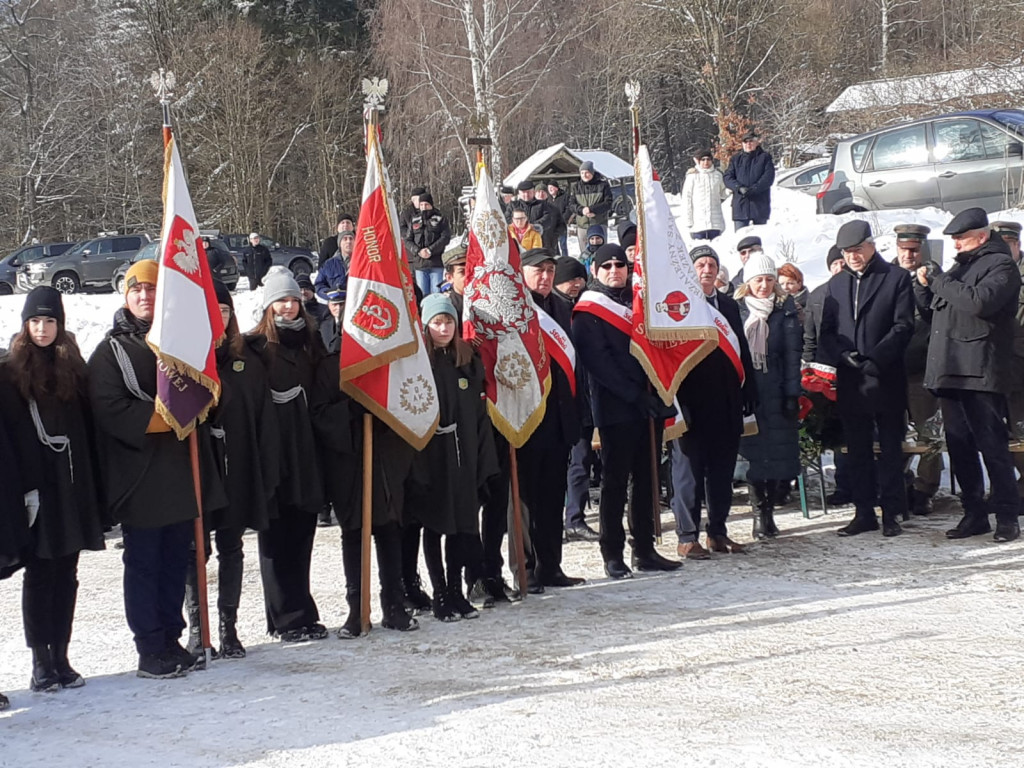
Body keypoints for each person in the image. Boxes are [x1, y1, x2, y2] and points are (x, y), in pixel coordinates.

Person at [88, 260, 226, 679]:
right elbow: (110, 408)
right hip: (141, 478)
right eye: (137, 291)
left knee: (174, 561)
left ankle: (171, 637)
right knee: (146, 564)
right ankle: (149, 646)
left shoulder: (178, 342)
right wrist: (168, 417)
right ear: (125, 297)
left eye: (151, 289)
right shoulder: (111, 352)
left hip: (182, 474)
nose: (145, 297)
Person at [0, 287, 105, 691]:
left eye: (49, 322)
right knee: (40, 572)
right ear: (25, 325)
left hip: (72, 485)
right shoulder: (9, 373)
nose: (42, 329)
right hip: (35, 491)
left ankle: (61, 653)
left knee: (68, 571)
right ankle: (40, 660)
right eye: (35, 322)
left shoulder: (73, 369)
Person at [183, 280, 280, 660]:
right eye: (212, 311)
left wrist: (266, 471)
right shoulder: (188, 361)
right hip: (201, 468)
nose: (218, 318)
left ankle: (229, 627)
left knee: (232, 547)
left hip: (237, 468)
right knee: (196, 550)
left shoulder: (247, 361)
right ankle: (198, 629)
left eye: (224, 311)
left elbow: (263, 419)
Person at [573, 244, 681, 578]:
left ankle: (644, 548)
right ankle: (613, 551)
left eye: (620, 264)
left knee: (647, 479)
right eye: (606, 265)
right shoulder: (589, 309)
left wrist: (661, 389)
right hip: (615, 406)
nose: (614, 270)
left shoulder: (641, 302)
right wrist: (635, 395)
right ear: (595, 270)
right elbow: (600, 363)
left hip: (650, 403)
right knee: (615, 482)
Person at [915, 208, 1021, 543]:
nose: (956, 244)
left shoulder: (1001, 265)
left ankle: (1006, 515)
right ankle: (973, 513)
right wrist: (923, 288)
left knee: (992, 446)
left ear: (981, 235)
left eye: (961, 238)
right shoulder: (961, 266)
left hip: (980, 370)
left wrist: (938, 281)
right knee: (959, 447)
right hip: (951, 369)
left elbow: (979, 302)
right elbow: (938, 309)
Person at [310, 322, 419, 638]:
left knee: (389, 531)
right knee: (354, 533)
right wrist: (351, 410)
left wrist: (383, 415)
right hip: (348, 463)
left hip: (386, 460)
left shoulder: (390, 364)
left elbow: (407, 402)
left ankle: (394, 606)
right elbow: (319, 414)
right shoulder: (331, 367)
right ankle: (357, 610)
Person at [249, 270, 329, 641]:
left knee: (302, 533)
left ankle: (303, 608)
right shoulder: (254, 348)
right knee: (277, 537)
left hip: (308, 449)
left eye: (293, 299)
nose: (288, 306)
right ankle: (284, 615)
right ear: (269, 306)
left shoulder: (312, 342)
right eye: (281, 300)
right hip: (274, 452)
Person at [820, 220, 914, 537]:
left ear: (871, 245)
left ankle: (891, 512)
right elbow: (828, 332)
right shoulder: (836, 285)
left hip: (885, 377)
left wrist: (877, 357)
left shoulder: (895, 278)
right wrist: (842, 355)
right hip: (851, 380)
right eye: (847, 252)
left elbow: (903, 326)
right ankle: (863, 512)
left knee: (889, 450)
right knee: (857, 451)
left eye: (858, 249)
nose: (853, 256)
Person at [409, 293, 498, 620]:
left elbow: (477, 410)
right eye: (436, 322)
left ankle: (457, 591)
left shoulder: (467, 359)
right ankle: (440, 593)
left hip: (465, 454)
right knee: (435, 525)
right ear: (426, 325)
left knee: (463, 526)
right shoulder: (418, 361)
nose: (443, 328)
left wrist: (481, 458)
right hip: (433, 457)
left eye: (448, 322)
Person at [672, 245, 758, 557]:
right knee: (689, 474)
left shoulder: (728, 306)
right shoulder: (678, 305)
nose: (707, 270)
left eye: (712, 264)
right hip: (691, 403)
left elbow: (742, 351)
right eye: (701, 265)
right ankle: (687, 536)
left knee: (722, 473)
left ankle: (718, 532)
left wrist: (749, 390)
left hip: (726, 401)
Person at [515, 247, 585, 588]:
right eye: (537, 271)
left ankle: (551, 565)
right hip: (527, 418)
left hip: (559, 418)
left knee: (552, 497)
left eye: (548, 270)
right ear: (523, 273)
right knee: (525, 500)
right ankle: (525, 569)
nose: (544, 277)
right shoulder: (514, 309)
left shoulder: (562, 307)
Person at [734, 253, 802, 539]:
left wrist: (791, 393)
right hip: (747, 390)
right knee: (752, 454)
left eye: (769, 280)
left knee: (776, 454)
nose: (763, 285)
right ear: (748, 282)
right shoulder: (736, 309)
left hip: (774, 388)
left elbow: (792, 355)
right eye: (758, 280)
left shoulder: (784, 311)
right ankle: (758, 511)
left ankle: (770, 512)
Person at [891, 224, 943, 516]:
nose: (909, 255)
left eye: (914, 250)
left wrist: (927, 285)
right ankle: (897, 482)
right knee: (893, 431)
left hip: (922, 368)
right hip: (891, 368)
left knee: (929, 433)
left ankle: (925, 488)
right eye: (904, 250)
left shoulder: (936, 278)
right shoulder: (887, 276)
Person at [554, 256, 599, 541]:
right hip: (560, 401)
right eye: (571, 279)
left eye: (580, 278)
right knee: (563, 465)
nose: (577, 284)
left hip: (587, 398)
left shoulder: (588, 308)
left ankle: (575, 517)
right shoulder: (551, 311)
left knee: (582, 462)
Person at [802, 246, 852, 506]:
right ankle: (844, 484)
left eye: (844, 262)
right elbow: (810, 337)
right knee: (838, 433)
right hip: (826, 374)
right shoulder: (818, 295)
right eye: (836, 263)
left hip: (858, 371)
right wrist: (810, 371)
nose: (841, 267)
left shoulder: (858, 290)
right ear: (830, 266)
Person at [991, 220, 1024, 505]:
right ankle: (1003, 488)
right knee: (997, 432)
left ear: (1018, 246)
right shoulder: (986, 275)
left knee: (1021, 430)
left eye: (1009, 244)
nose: (1005, 250)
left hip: (1020, 368)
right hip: (991, 368)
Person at [723, 131, 775, 229]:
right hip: (740, 206)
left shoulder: (765, 157)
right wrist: (738, 187)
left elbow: (768, 178)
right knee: (741, 240)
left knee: (759, 239)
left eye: (751, 141)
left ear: (757, 142)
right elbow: (727, 177)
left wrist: (754, 189)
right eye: (745, 142)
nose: (748, 144)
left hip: (759, 205)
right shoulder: (735, 159)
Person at [404, 193, 452, 296]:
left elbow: (445, 237)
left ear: (431, 204)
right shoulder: (414, 220)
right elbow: (408, 240)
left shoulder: (440, 219)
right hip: (420, 264)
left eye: (426, 204)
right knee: (422, 294)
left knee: (436, 293)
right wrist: (417, 251)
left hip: (436, 263)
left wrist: (431, 250)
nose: (424, 207)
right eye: (421, 205)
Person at [681, 149, 727, 241]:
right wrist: (688, 221)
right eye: (703, 159)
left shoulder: (718, 175)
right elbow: (686, 199)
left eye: (708, 159)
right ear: (698, 161)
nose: (706, 162)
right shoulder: (692, 176)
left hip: (715, 224)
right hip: (698, 225)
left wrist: (730, 190)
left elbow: (723, 194)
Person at [568, 161, 613, 254]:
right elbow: (571, 204)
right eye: (582, 173)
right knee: (585, 253)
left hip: (599, 223)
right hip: (582, 225)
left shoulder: (602, 185)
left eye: (587, 172)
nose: (585, 175)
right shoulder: (576, 187)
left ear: (592, 172)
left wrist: (593, 210)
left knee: (601, 252)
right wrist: (581, 210)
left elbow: (608, 203)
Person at [314, 229, 353, 302]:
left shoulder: (363, 264)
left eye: (351, 239)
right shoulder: (329, 264)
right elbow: (319, 284)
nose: (348, 241)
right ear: (340, 244)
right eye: (345, 239)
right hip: (335, 306)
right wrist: (329, 294)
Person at [440, 241, 468, 327]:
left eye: (472, 271)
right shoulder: (448, 306)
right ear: (450, 278)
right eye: (462, 272)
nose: (469, 276)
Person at [545, 181, 571, 259]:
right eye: (549, 188)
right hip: (551, 225)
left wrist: (564, 218)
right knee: (554, 245)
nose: (550, 189)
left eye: (552, 187)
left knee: (563, 244)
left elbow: (569, 208)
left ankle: (565, 259)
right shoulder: (548, 199)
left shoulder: (564, 197)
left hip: (561, 224)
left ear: (556, 188)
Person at [319, 288, 345, 355]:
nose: (338, 308)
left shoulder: (355, 324)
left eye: (341, 304)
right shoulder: (325, 325)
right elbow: (330, 349)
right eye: (335, 305)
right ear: (329, 306)